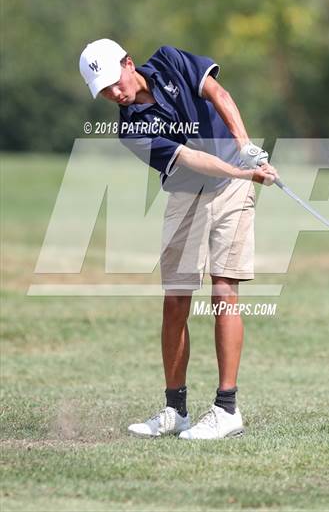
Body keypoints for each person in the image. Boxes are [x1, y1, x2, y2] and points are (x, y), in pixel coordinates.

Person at [79, 38, 278, 440]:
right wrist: (243, 172)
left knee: (224, 290)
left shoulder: (171, 61)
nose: (114, 94)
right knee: (175, 300)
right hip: (188, 190)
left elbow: (218, 92)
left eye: (115, 82)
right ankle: (176, 410)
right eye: (104, 92)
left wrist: (246, 148)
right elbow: (187, 157)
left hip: (231, 188)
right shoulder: (130, 129)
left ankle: (227, 410)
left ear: (128, 64)